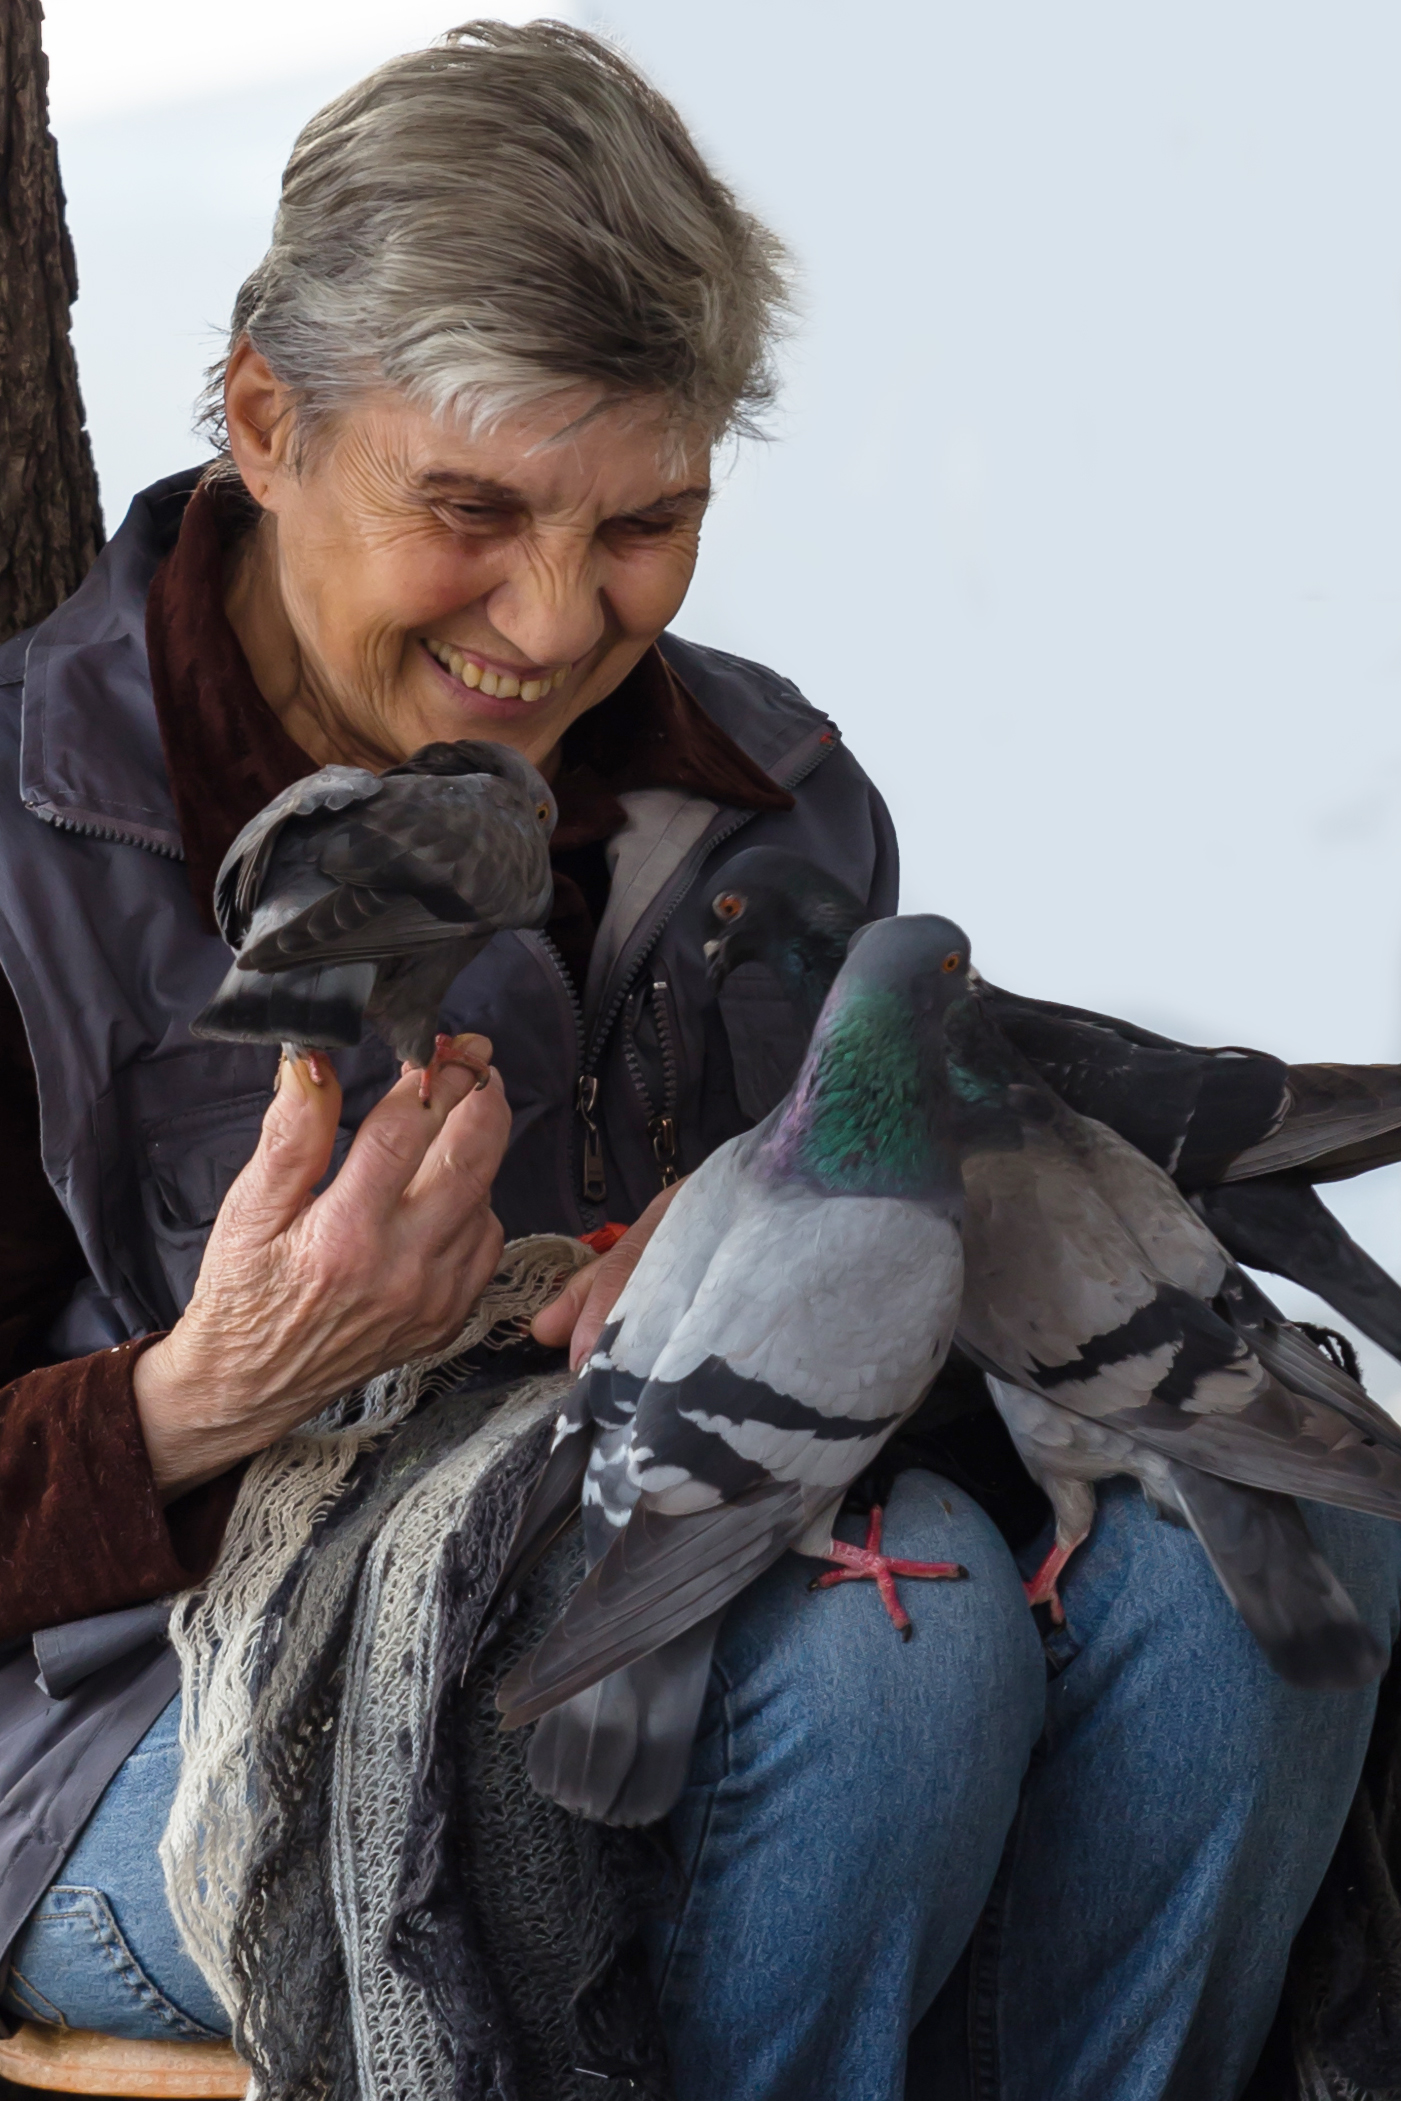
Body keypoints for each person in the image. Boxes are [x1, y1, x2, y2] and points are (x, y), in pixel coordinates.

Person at [0, 24, 1395, 2100]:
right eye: (469, 509)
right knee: (880, 1661)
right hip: (130, 1734)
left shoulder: (779, 804)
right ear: (266, 420)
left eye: (644, 520)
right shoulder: (29, 834)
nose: (556, 622)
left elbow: (893, 1325)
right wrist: (219, 1388)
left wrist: (811, 1273)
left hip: (675, 1602)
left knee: (1265, 1554)